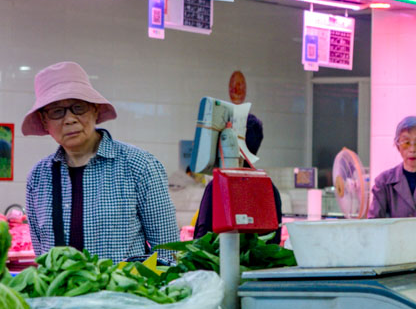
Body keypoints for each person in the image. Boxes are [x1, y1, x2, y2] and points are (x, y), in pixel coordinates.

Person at [23, 61, 179, 261]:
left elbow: (168, 252)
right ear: (44, 121)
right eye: (56, 111)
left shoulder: (139, 166)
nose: (69, 119)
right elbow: (42, 256)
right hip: (60, 292)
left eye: (78, 107)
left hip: (126, 292)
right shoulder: (38, 178)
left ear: (95, 110)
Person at [193, 114, 283, 243]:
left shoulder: (218, 186)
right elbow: (274, 241)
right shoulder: (269, 187)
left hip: (221, 263)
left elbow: (201, 242)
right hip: (258, 263)